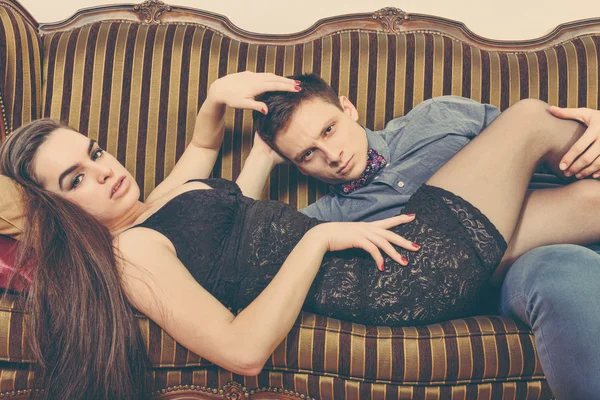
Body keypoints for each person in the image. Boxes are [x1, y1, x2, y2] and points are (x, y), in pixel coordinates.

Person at [0, 71, 591, 400]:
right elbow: (241, 351)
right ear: (53, 209)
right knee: (531, 117)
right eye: (77, 178)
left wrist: (215, 98)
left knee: (589, 199)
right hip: (391, 279)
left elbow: (206, 149)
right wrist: (318, 239)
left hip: (398, 252)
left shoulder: (156, 205)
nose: (105, 170)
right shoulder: (132, 251)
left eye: (95, 150)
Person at [243, 73, 600, 399]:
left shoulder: (437, 116)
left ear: (348, 108)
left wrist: (594, 128)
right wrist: (260, 155)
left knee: (536, 126)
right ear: (295, 166)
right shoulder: (325, 219)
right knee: (565, 269)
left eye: (329, 129)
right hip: (509, 274)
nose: (332, 156)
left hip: (570, 209)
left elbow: (537, 144)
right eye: (307, 155)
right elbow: (231, 237)